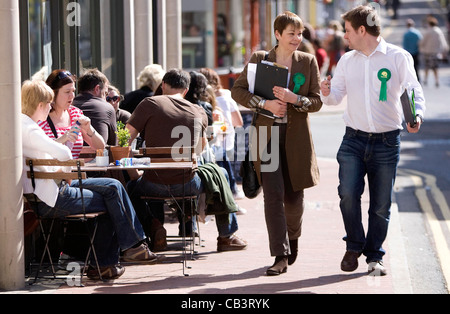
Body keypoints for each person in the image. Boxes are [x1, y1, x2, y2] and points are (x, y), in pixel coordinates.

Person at [320, 5, 426, 276]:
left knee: (380, 205)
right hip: (353, 139)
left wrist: (417, 115)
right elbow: (335, 98)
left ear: (361, 30)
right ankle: (354, 244)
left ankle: (374, 256)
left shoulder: (398, 57)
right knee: (347, 194)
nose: (345, 36)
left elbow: (413, 89)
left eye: (347, 31)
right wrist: (326, 92)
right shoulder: (346, 60)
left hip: (387, 142)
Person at [21, 80, 160, 280]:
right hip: (52, 197)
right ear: (40, 105)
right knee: (113, 199)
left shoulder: (24, 125)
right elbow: (63, 154)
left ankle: (126, 251)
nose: (50, 107)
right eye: (49, 103)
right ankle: (117, 256)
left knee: (113, 187)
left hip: (48, 190)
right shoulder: (31, 129)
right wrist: (65, 146)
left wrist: (63, 142)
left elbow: (53, 150)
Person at [231, 11, 322, 276]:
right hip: (264, 136)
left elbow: (316, 101)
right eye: (292, 33)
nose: (297, 38)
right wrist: (264, 103)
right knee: (272, 196)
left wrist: (296, 100)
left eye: (300, 33)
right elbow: (238, 91)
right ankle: (279, 255)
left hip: (296, 139)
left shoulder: (307, 61)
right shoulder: (260, 58)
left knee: (293, 199)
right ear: (278, 34)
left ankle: (293, 238)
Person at [126, 69, 247, 252]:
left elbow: (124, 139)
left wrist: (136, 171)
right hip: (188, 184)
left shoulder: (149, 104)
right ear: (185, 90)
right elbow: (200, 149)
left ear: (164, 85)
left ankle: (153, 226)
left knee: (129, 189)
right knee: (219, 173)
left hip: (152, 182)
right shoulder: (198, 110)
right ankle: (226, 236)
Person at [199, 68, 245, 200]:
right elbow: (239, 122)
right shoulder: (226, 97)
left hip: (209, 146)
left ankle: (226, 194)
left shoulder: (200, 103)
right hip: (225, 144)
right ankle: (231, 192)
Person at [38, 70, 106, 159]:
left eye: (73, 91)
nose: (72, 96)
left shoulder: (75, 113)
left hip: (73, 171)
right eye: (67, 92)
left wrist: (89, 129)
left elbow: (100, 147)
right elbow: (39, 153)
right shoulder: (41, 116)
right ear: (53, 93)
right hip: (52, 171)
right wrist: (63, 138)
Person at [72, 68, 117, 146]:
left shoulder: (68, 107)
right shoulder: (107, 107)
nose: (105, 99)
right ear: (97, 89)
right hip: (98, 156)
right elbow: (113, 144)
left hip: (70, 156)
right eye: (105, 94)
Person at [420, 16, 449, 87]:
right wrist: (445, 50)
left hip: (427, 51)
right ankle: (436, 80)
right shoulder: (439, 31)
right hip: (435, 52)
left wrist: (421, 47)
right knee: (435, 67)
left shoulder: (428, 31)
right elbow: (443, 42)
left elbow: (423, 42)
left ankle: (425, 79)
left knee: (427, 66)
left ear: (429, 24)